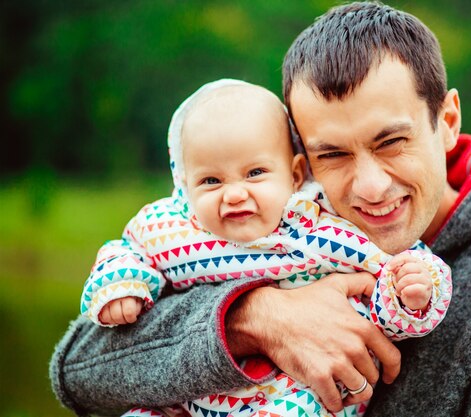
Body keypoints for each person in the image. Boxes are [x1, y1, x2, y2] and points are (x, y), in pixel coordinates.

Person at [50, 2, 471, 416]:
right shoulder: (267, 223)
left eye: (391, 142)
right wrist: (255, 318)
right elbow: (78, 372)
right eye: (332, 154)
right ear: (300, 162)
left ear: (448, 121)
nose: (369, 186)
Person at [79, 78, 451, 417]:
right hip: (187, 400)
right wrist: (120, 284)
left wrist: (411, 295)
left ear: (293, 175)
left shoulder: (320, 231)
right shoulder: (174, 229)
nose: (235, 193)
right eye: (211, 180)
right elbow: (128, 251)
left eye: (255, 173)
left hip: (293, 394)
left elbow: (387, 278)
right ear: (185, 186)